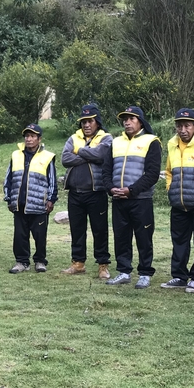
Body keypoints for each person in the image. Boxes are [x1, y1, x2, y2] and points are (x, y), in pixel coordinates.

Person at [102, 105, 162, 289]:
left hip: (140, 199)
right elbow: (106, 171)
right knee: (121, 237)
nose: (127, 122)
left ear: (140, 121)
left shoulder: (152, 141)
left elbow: (152, 174)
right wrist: (111, 189)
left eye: (131, 119)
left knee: (144, 237)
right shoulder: (116, 142)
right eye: (125, 119)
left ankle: (144, 273)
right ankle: (124, 271)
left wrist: (131, 190)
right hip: (118, 199)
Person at [161, 107, 194, 293]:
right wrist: (170, 187)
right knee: (179, 241)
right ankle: (179, 276)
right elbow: (169, 171)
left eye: (187, 125)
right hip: (178, 203)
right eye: (179, 126)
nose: (183, 130)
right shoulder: (171, 144)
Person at [60, 104, 113, 279]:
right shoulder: (73, 137)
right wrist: (89, 154)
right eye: (83, 121)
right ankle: (78, 263)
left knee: (100, 230)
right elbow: (65, 159)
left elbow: (101, 156)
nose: (86, 125)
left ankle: (103, 265)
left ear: (97, 122)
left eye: (90, 121)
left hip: (96, 192)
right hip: (75, 193)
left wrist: (80, 151)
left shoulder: (106, 138)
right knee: (77, 229)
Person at [3, 123, 58, 273]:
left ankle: (40, 261)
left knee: (40, 235)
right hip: (19, 204)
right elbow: (9, 178)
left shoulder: (47, 157)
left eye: (33, 136)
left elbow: (52, 180)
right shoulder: (16, 155)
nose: (29, 139)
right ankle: (21, 262)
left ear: (39, 139)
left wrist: (51, 199)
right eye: (27, 136)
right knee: (20, 235)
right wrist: (8, 198)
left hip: (39, 204)